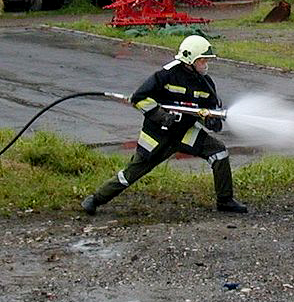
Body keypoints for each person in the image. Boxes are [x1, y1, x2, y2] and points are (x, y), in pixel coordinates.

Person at [81, 34, 247, 215]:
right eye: (202, 60)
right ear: (189, 59)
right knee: (131, 174)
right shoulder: (166, 75)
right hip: (157, 136)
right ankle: (95, 199)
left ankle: (225, 200)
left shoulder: (205, 83)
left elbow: (209, 111)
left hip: (185, 133)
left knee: (218, 152)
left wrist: (212, 120)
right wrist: (160, 116)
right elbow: (140, 98)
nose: (205, 64)